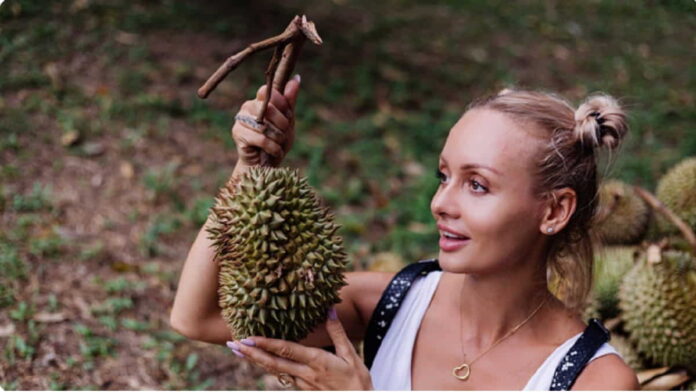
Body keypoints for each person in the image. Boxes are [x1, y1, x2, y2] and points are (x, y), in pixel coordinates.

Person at [170, 74, 640, 390]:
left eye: (476, 185)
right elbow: (199, 317)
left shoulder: (593, 379)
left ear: (555, 210)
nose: (440, 203)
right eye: (443, 177)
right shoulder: (392, 305)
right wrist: (251, 172)